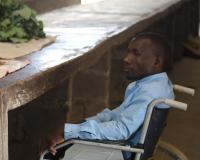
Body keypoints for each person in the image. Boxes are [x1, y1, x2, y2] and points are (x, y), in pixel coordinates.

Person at [42, 32, 175, 159]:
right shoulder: (157, 84)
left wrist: (67, 131)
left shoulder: (150, 91)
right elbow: (118, 114)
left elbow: (121, 130)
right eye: (129, 52)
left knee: (54, 154)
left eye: (136, 54)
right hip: (124, 146)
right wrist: (84, 125)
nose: (127, 59)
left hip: (121, 151)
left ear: (156, 62)